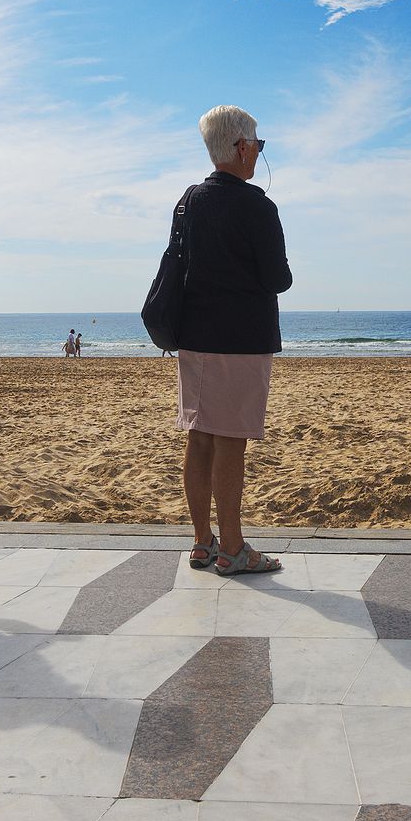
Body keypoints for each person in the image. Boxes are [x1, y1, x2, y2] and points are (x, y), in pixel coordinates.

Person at [174, 105, 292, 576]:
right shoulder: (257, 206)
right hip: (241, 337)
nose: (259, 154)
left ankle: (204, 542)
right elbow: (277, 279)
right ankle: (234, 548)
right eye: (259, 146)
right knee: (231, 442)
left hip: (194, 335)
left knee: (199, 437)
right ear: (241, 147)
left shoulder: (189, 200)